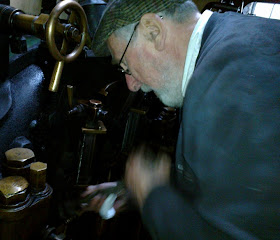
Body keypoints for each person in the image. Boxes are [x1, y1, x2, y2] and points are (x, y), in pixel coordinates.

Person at [82, 0, 280, 239]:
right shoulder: (234, 37)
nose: (131, 84)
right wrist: (139, 192)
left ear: (153, 31)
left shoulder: (225, 89)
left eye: (125, 65)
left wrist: (154, 197)